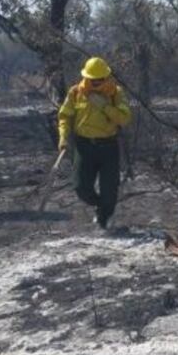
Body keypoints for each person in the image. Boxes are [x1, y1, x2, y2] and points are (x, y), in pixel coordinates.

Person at [58, 57, 132, 230]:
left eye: (101, 79)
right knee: (81, 188)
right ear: (87, 77)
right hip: (84, 147)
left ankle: (104, 217)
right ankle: (102, 205)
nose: (97, 82)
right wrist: (63, 136)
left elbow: (125, 119)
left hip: (108, 148)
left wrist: (105, 106)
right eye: (93, 79)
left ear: (106, 77)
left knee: (109, 189)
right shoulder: (75, 92)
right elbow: (65, 116)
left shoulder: (116, 93)